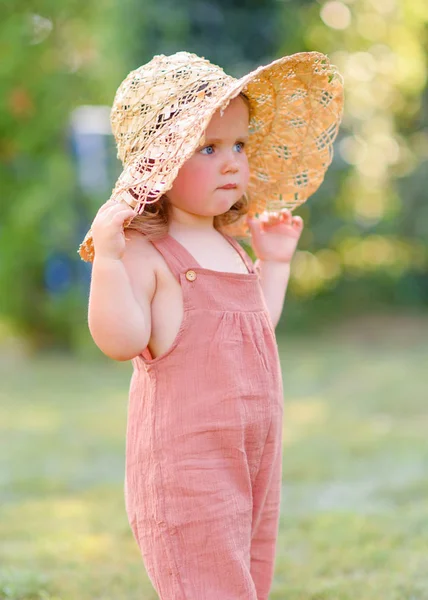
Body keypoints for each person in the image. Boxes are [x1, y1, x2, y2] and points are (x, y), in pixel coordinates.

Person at [79, 51, 344, 599]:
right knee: (206, 579)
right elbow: (121, 339)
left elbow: (254, 327)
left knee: (247, 567)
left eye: (239, 146)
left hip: (251, 452)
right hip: (187, 465)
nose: (232, 163)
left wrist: (274, 264)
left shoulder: (229, 244)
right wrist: (105, 261)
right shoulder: (147, 252)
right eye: (209, 148)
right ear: (162, 162)